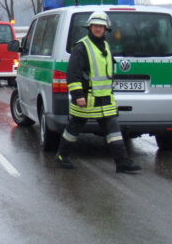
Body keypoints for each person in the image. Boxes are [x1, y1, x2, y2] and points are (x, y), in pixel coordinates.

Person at [54, 11, 142, 173]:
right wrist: (78, 95)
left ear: (105, 29)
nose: (98, 29)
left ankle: (122, 162)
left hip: (105, 99)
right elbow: (73, 74)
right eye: (95, 26)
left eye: (101, 26)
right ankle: (62, 156)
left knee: (114, 131)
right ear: (90, 27)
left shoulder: (105, 45)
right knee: (73, 129)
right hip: (87, 98)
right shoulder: (81, 47)